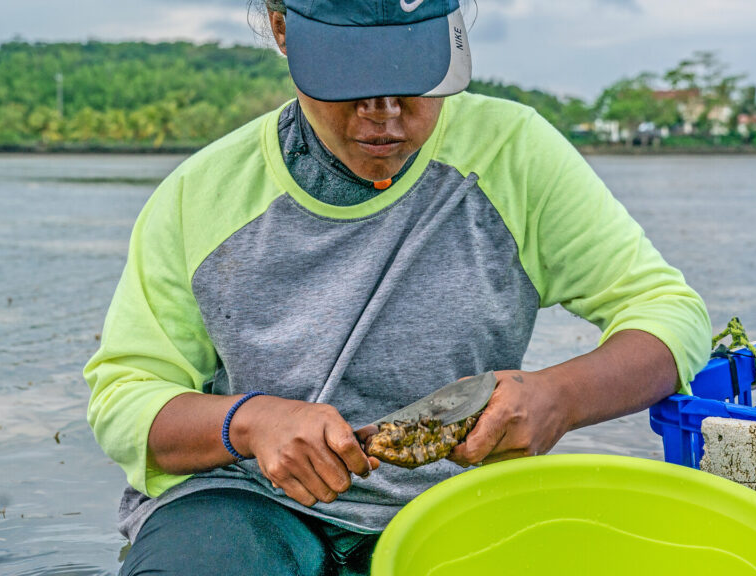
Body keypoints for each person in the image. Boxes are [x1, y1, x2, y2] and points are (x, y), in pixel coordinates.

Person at [84, 0, 712, 574]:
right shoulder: (203, 196)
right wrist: (247, 423)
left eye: (410, 79)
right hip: (241, 502)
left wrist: (560, 397)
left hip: (453, 502)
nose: (382, 114)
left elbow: (669, 314)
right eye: (349, 80)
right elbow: (124, 398)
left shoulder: (512, 155)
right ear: (282, 30)